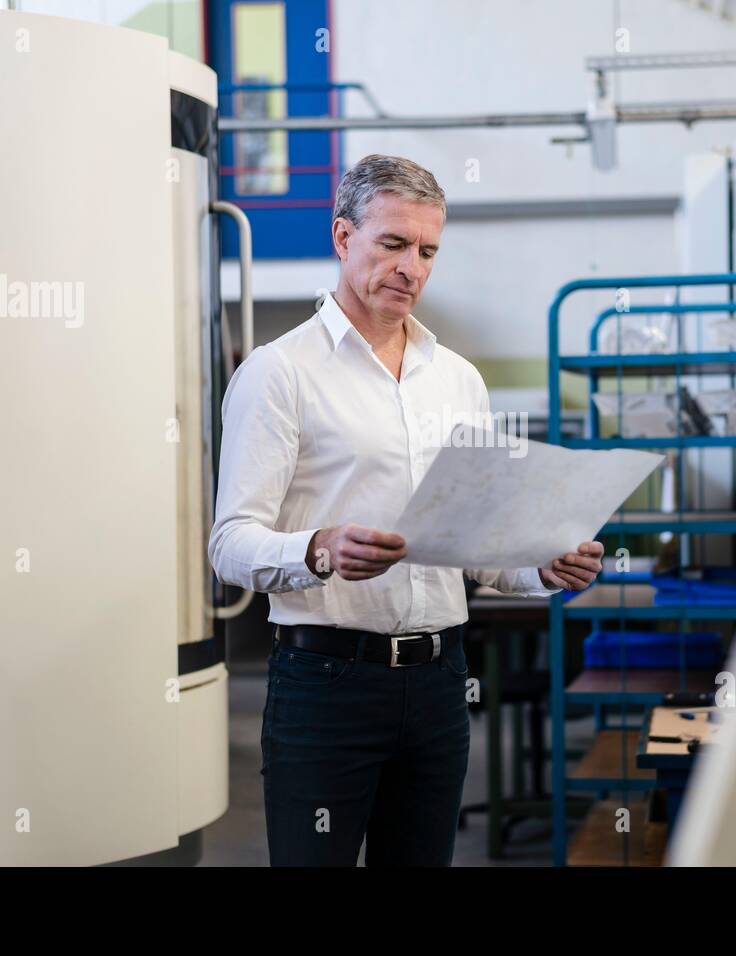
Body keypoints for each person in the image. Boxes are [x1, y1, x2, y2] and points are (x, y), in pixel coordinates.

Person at [209, 153, 603, 866]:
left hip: (439, 684)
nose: (411, 268)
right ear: (341, 237)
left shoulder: (457, 380)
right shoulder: (279, 373)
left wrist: (542, 565)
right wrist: (317, 549)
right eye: (392, 244)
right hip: (327, 687)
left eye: (427, 251)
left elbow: (477, 548)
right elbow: (230, 543)